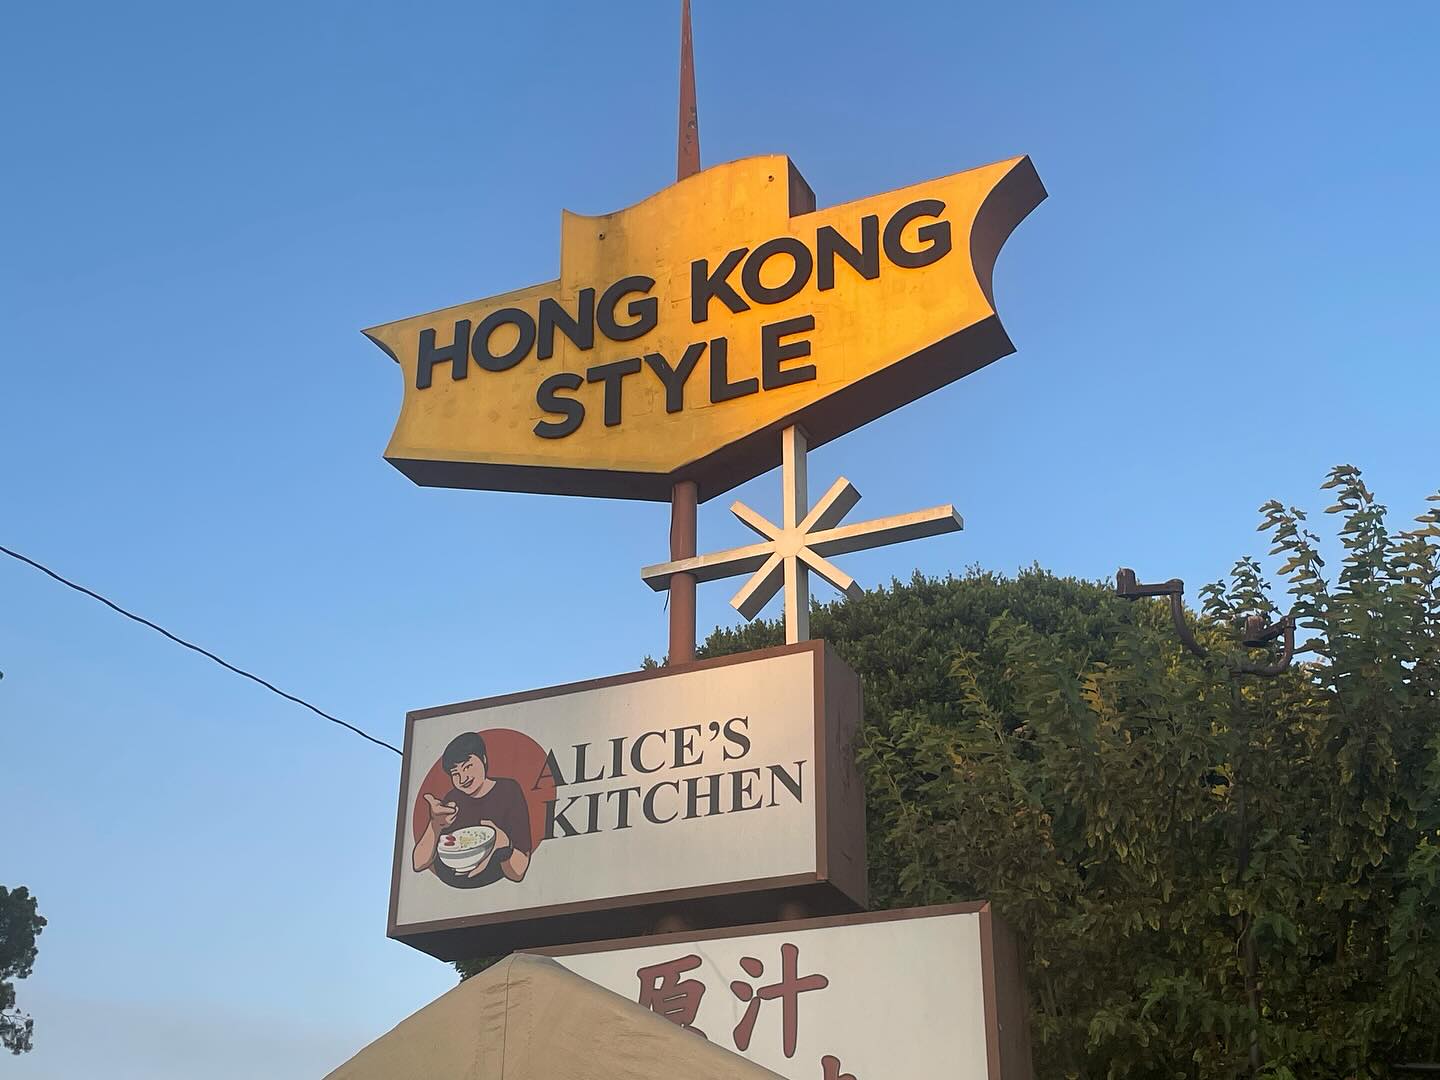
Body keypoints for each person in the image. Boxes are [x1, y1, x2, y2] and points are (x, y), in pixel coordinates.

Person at [412, 731, 533, 888]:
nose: (463, 778)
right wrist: (435, 825)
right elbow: (418, 863)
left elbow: (518, 871)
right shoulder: (452, 800)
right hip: (448, 894)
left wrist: (502, 843)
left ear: (483, 759)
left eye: (468, 767)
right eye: (455, 773)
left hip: (495, 892)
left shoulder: (508, 791)